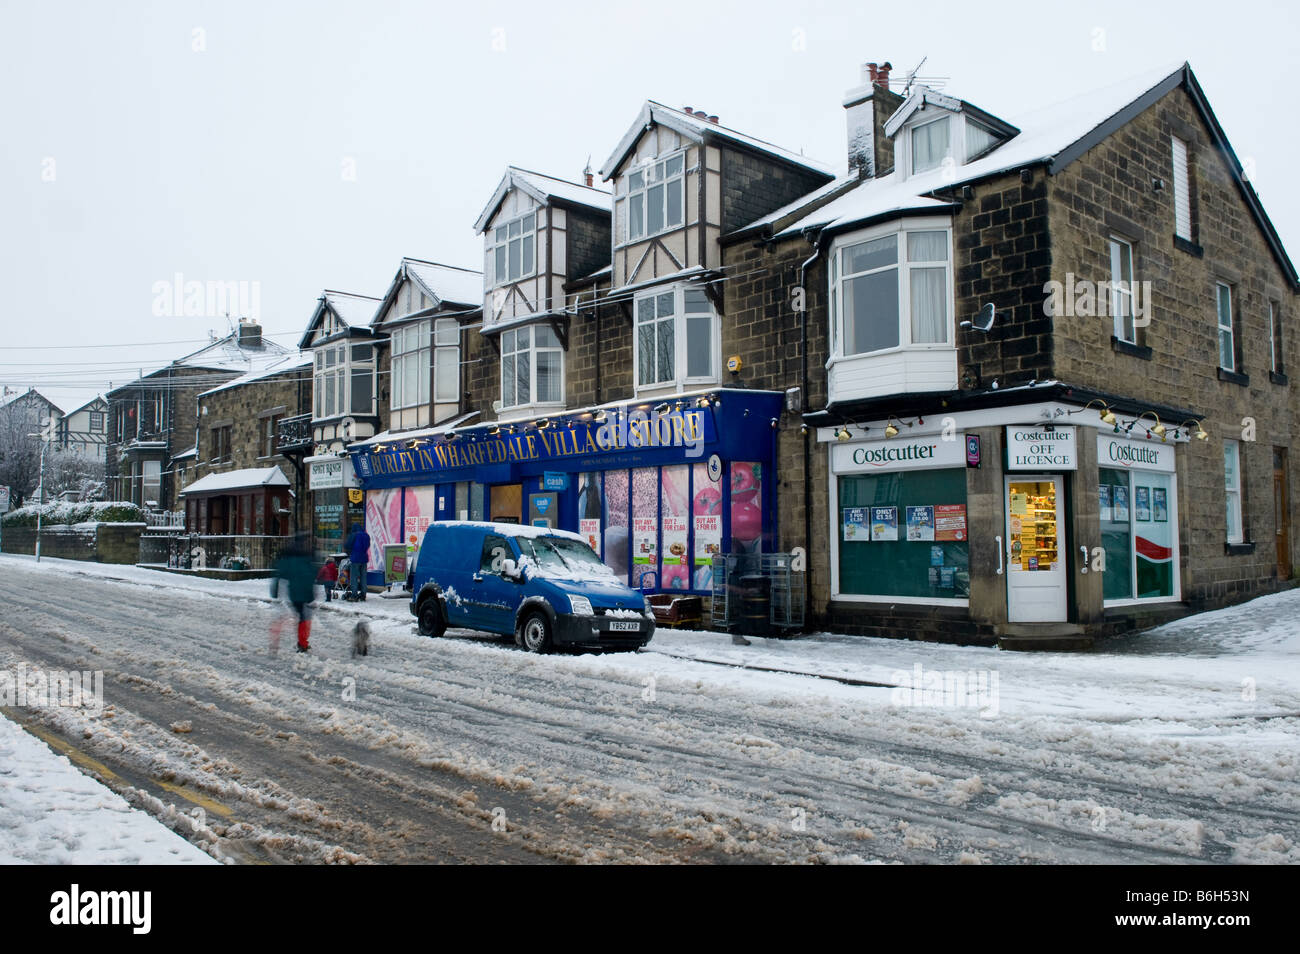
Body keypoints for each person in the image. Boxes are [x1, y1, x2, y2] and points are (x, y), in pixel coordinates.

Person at [271, 534, 316, 652]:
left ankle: (276, 638)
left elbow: (280, 573)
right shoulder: (307, 556)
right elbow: (312, 574)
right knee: (304, 616)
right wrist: (312, 592)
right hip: (306, 591)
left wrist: (275, 591)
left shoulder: (288, 557)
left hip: (294, 592)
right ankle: (303, 643)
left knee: (298, 615)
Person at [344, 522, 371, 601]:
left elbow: (347, 545)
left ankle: (354, 595)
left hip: (355, 558)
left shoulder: (354, 535)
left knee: (354, 577)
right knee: (363, 577)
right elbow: (368, 545)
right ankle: (363, 595)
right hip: (364, 558)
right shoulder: (366, 535)